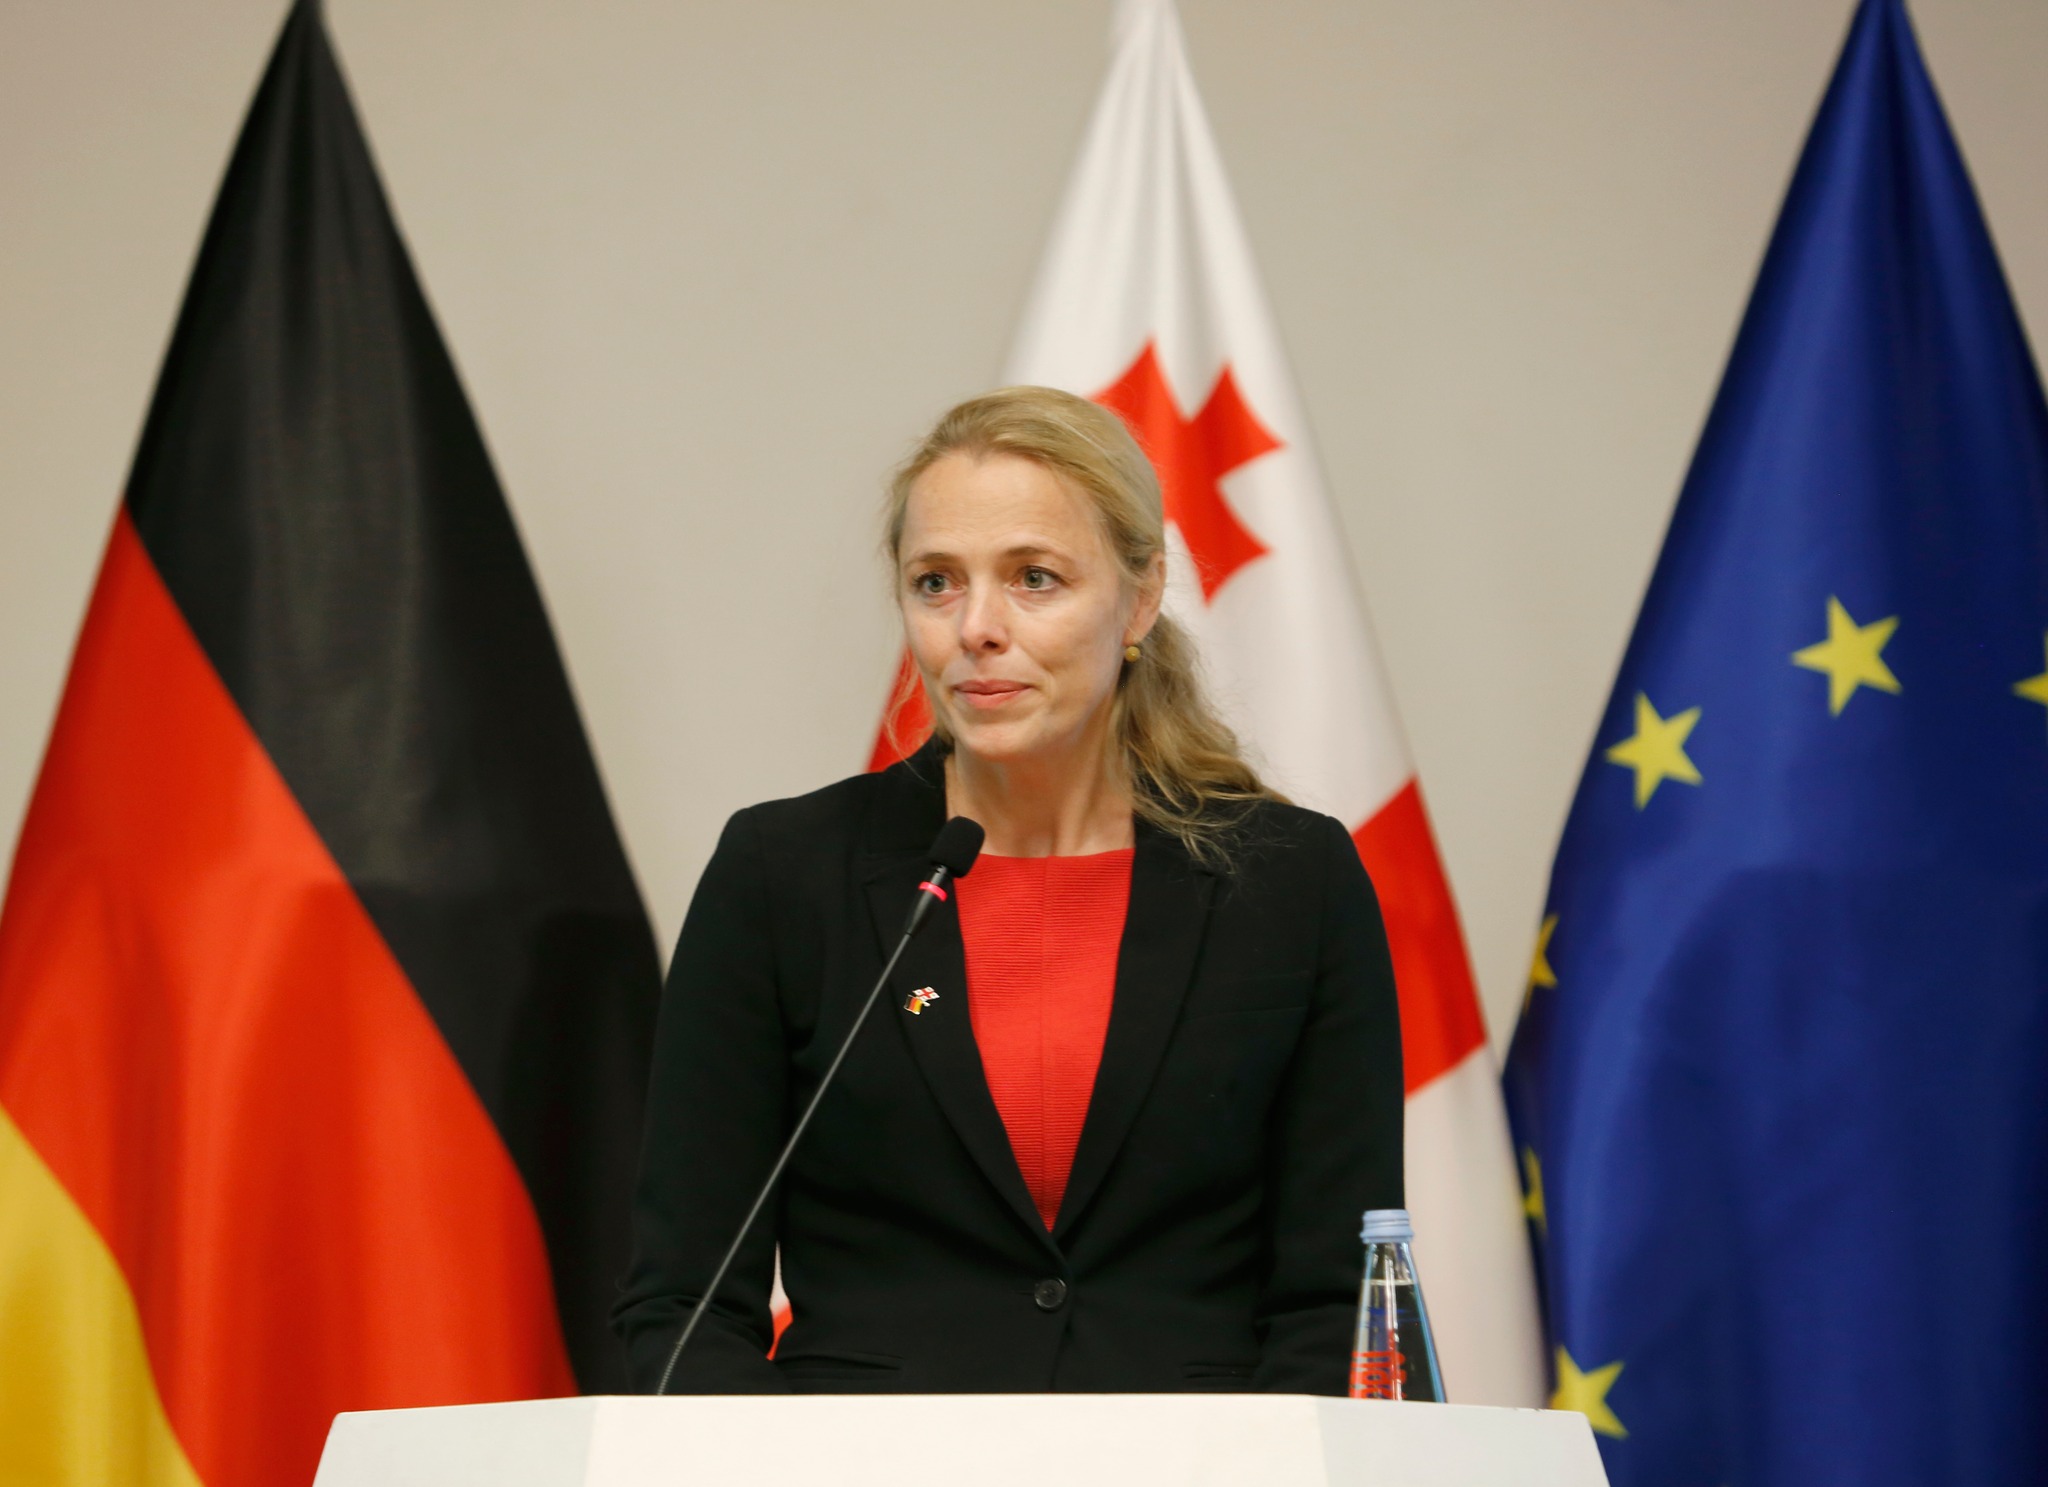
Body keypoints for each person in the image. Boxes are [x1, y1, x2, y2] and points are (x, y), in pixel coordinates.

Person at [614, 386, 1403, 1394]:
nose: (976, 627)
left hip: (1200, 1457)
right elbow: (682, 1301)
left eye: (1034, 577)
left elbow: (1338, 1301)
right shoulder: (784, 872)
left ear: (1141, 595)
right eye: (935, 582)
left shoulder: (1291, 878)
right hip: (859, 1462)